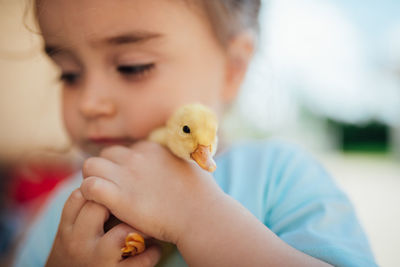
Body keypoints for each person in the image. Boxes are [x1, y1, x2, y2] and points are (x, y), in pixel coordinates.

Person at [13, 0, 377, 266]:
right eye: (69, 73)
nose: (89, 102)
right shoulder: (69, 205)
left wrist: (197, 217)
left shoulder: (281, 177)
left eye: (132, 67)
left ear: (233, 69)